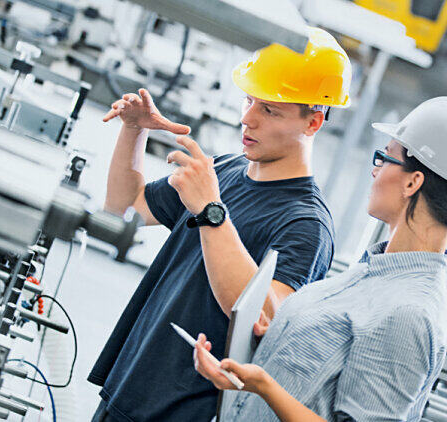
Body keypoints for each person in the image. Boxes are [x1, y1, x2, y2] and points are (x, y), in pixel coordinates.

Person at [88, 27, 352, 421]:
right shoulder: (225, 170)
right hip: (130, 385)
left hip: (185, 410)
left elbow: (262, 317)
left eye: (269, 110)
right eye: (249, 101)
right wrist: (133, 130)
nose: (247, 119)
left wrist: (212, 210)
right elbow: (124, 206)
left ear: (313, 122)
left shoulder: (306, 224)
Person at [193, 97, 447, 421]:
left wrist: (264, 385)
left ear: (413, 181)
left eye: (384, 158)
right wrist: (282, 338)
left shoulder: (408, 313)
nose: (375, 170)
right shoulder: (376, 272)